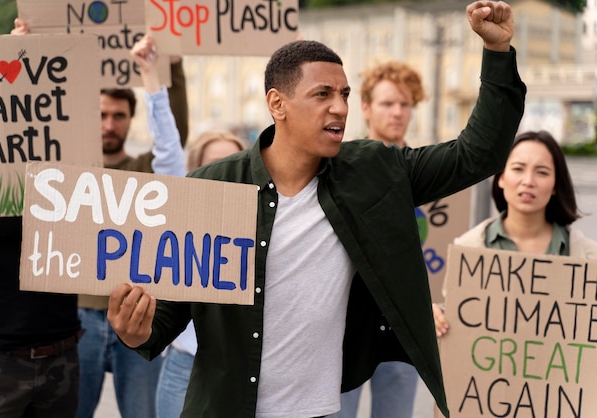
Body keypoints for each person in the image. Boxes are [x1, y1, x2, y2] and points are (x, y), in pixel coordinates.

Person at [107, 2, 525, 417]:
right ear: (278, 104)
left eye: (343, 94)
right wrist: (134, 330)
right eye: (322, 94)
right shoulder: (212, 188)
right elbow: (167, 316)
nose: (340, 107)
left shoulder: (374, 172)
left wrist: (498, 53)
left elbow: (478, 154)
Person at [75, 35, 185, 418]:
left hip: (139, 313)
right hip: (80, 319)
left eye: (118, 116)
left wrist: (171, 65)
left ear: (129, 120)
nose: (109, 124)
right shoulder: (72, 173)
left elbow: (176, 139)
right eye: (102, 114)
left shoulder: (143, 171)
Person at [432, 130, 597, 338]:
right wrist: (438, 316)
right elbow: (458, 324)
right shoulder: (467, 248)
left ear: (556, 185)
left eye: (542, 172)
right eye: (518, 169)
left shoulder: (590, 257)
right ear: (501, 178)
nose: (528, 181)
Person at [332, 61, 426, 418]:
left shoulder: (429, 174)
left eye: (405, 104)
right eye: (388, 103)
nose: (398, 112)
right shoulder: (339, 170)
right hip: (346, 324)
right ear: (367, 108)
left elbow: (440, 252)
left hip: (403, 327)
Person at [155, 129, 250, 418]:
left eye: (236, 162)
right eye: (215, 163)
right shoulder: (176, 223)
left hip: (240, 372)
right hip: (185, 366)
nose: (225, 172)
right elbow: (167, 154)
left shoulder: (260, 229)